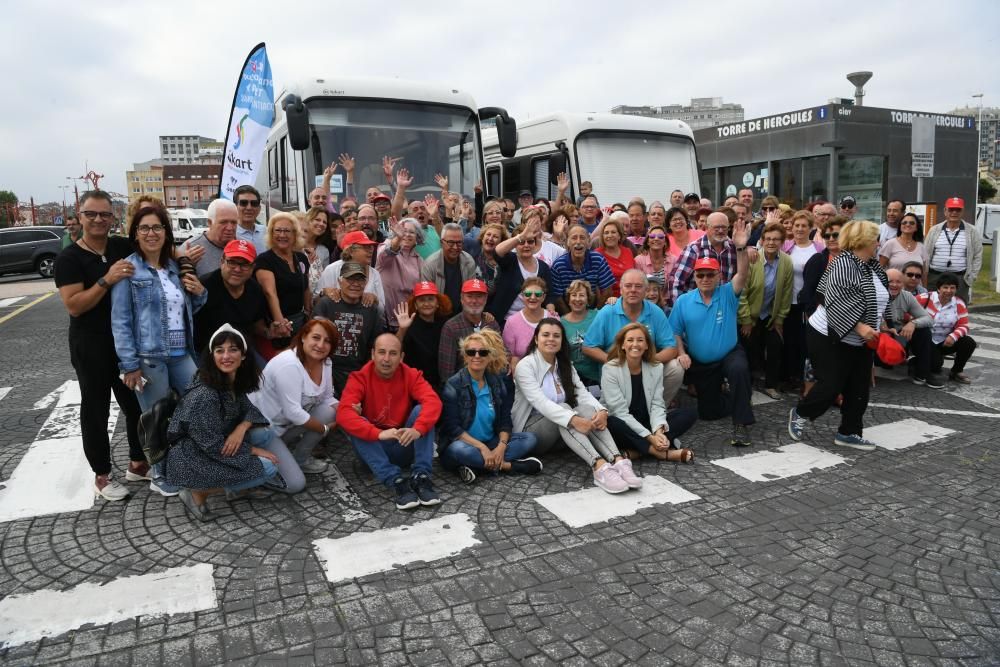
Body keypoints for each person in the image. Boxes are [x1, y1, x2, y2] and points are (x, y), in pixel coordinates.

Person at [55, 190, 147, 501]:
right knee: (95, 410)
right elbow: (75, 305)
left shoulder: (121, 246)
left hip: (124, 343)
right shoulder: (69, 259)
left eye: (104, 214)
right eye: (91, 214)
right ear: (79, 217)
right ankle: (102, 475)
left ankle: (138, 462)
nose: (98, 220)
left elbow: (153, 249)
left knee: (135, 406)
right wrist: (106, 280)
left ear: (113, 218)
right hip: (90, 344)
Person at [788, 220, 889, 451]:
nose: (878, 243)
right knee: (832, 383)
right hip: (828, 333)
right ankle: (801, 412)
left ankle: (849, 432)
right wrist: (860, 327)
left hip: (862, 338)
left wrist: (880, 322)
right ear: (864, 241)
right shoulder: (844, 265)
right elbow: (833, 303)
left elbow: (879, 297)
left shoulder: (872, 265)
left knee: (859, 387)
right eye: (875, 239)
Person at [163, 325, 280, 521]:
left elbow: (249, 410)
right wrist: (253, 451)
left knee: (263, 433)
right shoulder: (206, 394)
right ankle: (198, 492)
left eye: (233, 349)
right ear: (212, 356)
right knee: (268, 468)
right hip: (190, 458)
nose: (226, 356)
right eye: (220, 351)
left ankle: (237, 489)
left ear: (243, 355)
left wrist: (241, 428)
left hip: (208, 445)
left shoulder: (230, 380)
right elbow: (209, 444)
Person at [512, 319, 641, 493]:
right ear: (536, 339)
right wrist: (573, 418)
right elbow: (540, 403)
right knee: (565, 409)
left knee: (587, 410)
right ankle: (599, 466)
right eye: (545, 335)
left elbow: (582, 393)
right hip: (532, 431)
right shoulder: (525, 366)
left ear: (562, 340)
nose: (551, 339)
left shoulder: (564, 364)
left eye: (556, 336)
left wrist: (601, 410)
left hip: (563, 432)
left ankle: (618, 461)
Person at [111, 203, 207, 414]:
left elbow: (188, 311)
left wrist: (200, 292)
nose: (151, 233)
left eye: (157, 227)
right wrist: (130, 365)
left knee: (202, 407)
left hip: (182, 354)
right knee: (158, 421)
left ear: (166, 232)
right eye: (144, 228)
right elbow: (120, 322)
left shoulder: (174, 268)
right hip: (148, 359)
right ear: (135, 234)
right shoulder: (127, 269)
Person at [670, 216, 753, 447]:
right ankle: (733, 398)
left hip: (729, 353)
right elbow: (675, 331)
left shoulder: (727, 292)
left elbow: (743, 274)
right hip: (702, 363)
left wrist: (741, 247)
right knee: (709, 412)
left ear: (719, 276)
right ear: (694, 277)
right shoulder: (684, 301)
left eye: (710, 274)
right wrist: (681, 352)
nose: (705, 279)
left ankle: (741, 423)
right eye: (701, 275)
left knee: (739, 369)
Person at [338, 334, 443, 509]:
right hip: (375, 449)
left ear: (401, 357)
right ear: (372, 354)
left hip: (403, 443)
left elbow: (433, 401)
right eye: (381, 352)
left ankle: (421, 476)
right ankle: (395, 481)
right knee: (356, 420)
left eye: (393, 353)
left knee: (421, 412)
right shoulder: (359, 377)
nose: (386, 359)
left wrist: (418, 428)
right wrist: (378, 433)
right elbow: (343, 413)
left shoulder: (411, 375)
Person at [440, 330, 542, 484]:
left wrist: (501, 447)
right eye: (471, 352)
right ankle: (510, 466)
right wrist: (482, 448)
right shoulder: (454, 385)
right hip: (465, 445)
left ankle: (477, 467)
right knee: (458, 450)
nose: (477, 356)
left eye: (483, 352)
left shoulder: (495, 382)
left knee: (529, 439)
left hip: (491, 442)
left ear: (489, 356)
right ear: (465, 356)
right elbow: (452, 429)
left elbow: (504, 421)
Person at [250, 318, 340, 484]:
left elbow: (328, 398)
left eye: (327, 341)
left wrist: (348, 413)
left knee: (330, 410)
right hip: (265, 430)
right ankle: (252, 478)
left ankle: (300, 460)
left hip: (286, 425)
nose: (320, 345)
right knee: (295, 484)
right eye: (316, 337)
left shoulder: (326, 362)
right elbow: (294, 413)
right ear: (304, 337)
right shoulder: (289, 364)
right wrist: (325, 429)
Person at [583, 269, 684, 405]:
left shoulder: (655, 312)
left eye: (638, 286)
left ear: (645, 290)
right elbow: (588, 347)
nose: (633, 290)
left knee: (675, 368)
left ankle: (657, 410)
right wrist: (616, 362)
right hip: (616, 371)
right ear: (621, 289)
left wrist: (646, 362)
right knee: (615, 421)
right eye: (628, 286)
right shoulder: (607, 312)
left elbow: (671, 348)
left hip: (647, 368)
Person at [601, 323, 698, 462]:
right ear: (622, 345)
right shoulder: (610, 369)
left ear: (647, 345)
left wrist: (658, 432)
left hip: (646, 422)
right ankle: (660, 453)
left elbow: (657, 404)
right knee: (612, 423)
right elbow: (619, 413)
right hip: (623, 425)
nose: (635, 344)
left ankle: (638, 452)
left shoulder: (656, 367)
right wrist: (651, 438)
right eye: (630, 340)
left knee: (689, 414)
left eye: (640, 340)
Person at [313, 262, 386, 394]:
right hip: (327, 370)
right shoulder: (326, 304)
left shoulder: (371, 309)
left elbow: (375, 345)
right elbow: (312, 339)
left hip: (358, 374)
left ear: (365, 283)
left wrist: (366, 375)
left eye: (360, 280)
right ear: (339, 281)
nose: (355, 284)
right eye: (350, 279)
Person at [738, 222, 792, 399]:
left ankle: (771, 385)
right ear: (762, 240)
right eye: (768, 239)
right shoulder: (753, 259)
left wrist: (780, 319)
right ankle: (748, 383)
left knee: (776, 346)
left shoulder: (786, 261)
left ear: (782, 242)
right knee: (749, 346)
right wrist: (746, 319)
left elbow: (786, 292)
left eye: (776, 239)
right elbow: (742, 292)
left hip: (770, 315)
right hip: (751, 315)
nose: (771, 242)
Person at [192, 239, 271, 356]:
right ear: (222, 261)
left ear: (253, 267)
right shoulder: (204, 286)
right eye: (232, 262)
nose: (237, 269)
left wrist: (269, 332)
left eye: (244, 264)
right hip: (208, 353)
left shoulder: (255, 289)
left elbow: (256, 325)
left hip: (242, 352)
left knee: (265, 374)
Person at [255, 213, 311, 354]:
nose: (282, 235)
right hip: (278, 324)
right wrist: (281, 324)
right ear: (271, 234)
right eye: (278, 230)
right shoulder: (264, 260)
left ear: (295, 234)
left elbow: (306, 288)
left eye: (287, 231)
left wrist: (309, 315)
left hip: (300, 321)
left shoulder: (301, 258)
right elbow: (270, 294)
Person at [781, 210, 823, 388]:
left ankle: (805, 377)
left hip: (809, 304)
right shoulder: (786, 246)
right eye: (796, 225)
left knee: (806, 341)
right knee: (789, 340)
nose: (799, 229)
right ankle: (791, 375)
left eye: (803, 226)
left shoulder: (818, 248)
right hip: (787, 301)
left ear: (810, 228)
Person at [489, 217, 556, 327]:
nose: (526, 245)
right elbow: (497, 252)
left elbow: (550, 295)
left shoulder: (543, 267)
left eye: (530, 242)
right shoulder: (510, 260)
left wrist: (550, 310)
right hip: (506, 320)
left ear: (535, 244)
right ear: (515, 245)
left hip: (533, 321)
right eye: (522, 242)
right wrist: (522, 236)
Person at [915, 273, 977, 385]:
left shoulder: (959, 303)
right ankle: (914, 363)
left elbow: (964, 325)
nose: (949, 290)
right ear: (938, 288)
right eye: (945, 287)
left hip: (945, 342)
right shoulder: (924, 298)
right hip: (925, 341)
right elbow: (906, 313)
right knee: (936, 365)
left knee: (969, 342)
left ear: (956, 289)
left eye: (952, 287)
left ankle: (956, 371)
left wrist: (953, 336)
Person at [438, 279, 502, 383]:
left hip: (490, 384)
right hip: (463, 386)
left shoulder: (491, 323)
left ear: (485, 299)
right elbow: (446, 370)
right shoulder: (451, 327)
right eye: (470, 296)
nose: (474, 301)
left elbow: (501, 356)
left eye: (479, 296)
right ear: (462, 299)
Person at [883, 269, 939, 388]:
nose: (894, 285)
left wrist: (913, 323)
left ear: (903, 284)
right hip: (878, 335)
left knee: (924, 333)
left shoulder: (906, 296)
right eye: (890, 281)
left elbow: (929, 319)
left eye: (898, 282)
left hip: (898, 334)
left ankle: (922, 373)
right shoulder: (875, 294)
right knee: (884, 363)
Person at [671, 211, 738, 306]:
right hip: (696, 307)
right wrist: (680, 310)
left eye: (724, 227)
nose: (720, 231)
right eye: (716, 227)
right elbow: (677, 282)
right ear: (707, 228)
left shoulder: (733, 248)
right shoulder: (694, 249)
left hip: (724, 307)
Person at [394, 281, 450, 389]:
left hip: (442, 383)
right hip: (416, 384)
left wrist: (484, 315)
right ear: (415, 304)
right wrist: (402, 329)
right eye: (422, 300)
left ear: (437, 302)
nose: (426, 303)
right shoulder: (408, 325)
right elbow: (394, 348)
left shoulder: (446, 324)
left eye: (430, 299)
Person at [925, 197, 982, 304]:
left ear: (963, 211)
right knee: (931, 308)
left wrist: (971, 277)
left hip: (960, 278)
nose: (954, 212)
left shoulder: (972, 231)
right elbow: (925, 254)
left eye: (958, 210)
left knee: (958, 310)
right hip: (935, 277)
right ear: (945, 211)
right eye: (951, 209)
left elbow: (977, 256)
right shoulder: (934, 230)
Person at [549, 225, 615, 310]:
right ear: (568, 242)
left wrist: (596, 314)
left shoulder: (598, 260)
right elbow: (557, 297)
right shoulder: (559, 265)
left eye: (582, 238)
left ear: (588, 241)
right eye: (574, 238)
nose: (578, 242)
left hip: (593, 310)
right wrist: (569, 318)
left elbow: (607, 290)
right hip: (568, 311)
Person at [420, 223, 480, 314]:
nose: (455, 247)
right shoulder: (430, 265)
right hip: (438, 314)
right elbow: (428, 299)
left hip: (462, 314)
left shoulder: (468, 261)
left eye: (459, 243)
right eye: (451, 243)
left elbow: (471, 293)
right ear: (441, 243)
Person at [377, 217, 424, 330]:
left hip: (408, 320)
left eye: (411, 232)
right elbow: (386, 254)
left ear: (417, 237)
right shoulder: (387, 245)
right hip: (384, 320)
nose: (406, 234)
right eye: (403, 231)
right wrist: (398, 238)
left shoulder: (419, 260)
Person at [318, 230, 384, 306]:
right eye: (366, 247)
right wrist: (324, 292)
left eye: (371, 247)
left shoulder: (375, 274)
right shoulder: (332, 269)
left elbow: (382, 309)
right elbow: (316, 302)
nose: (370, 251)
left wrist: (375, 299)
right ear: (350, 251)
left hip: (367, 317)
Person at [502, 277, 552, 370]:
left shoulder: (553, 319)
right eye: (528, 294)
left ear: (543, 297)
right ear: (522, 296)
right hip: (522, 372)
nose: (532, 297)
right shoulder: (512, 322)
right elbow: (508, 354)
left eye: (537, 294)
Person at [561, 280, 602, 387]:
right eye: (574, 295)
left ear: (588, 299)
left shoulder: (598, 316)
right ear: (568, 300)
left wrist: (613, 300)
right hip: (574, 379)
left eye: (582, 295)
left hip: (598, 376)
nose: (577, 299)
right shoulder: (561, 323)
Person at [187, 199, 238, 278]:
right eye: (223, 222)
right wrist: (186, 265)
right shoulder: (191, 250)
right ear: (209, 223)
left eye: (234, 222)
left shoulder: (243, 246)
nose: (230, 228)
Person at [594, 215, 636, 297]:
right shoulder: (596, 254)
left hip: (629, 296)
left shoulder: (628, 252)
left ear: (619, 236)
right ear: (602, 236)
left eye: (613, 232)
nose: (609, 235)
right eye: (606, 233)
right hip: (607, 299)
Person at [301, 206, 333, 298]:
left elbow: (325, 279)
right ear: (308, 220)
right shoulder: (295, 245)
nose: (321, 224)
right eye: (317, 219)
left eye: (324, 222)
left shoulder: (324, 250)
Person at [633, 224, 675, 291]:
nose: (656, 239)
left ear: (665, 242)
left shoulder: (673, 260)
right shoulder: (638, 261)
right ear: (647, 242)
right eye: (652, 236)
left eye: (660, 236)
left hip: (667, 300)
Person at [233, 185, 267, 253]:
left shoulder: (267, 232)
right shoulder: (230, 233)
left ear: (259, 208)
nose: (249, 208)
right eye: (243, 203)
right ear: (235, 207)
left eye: (254, 203)